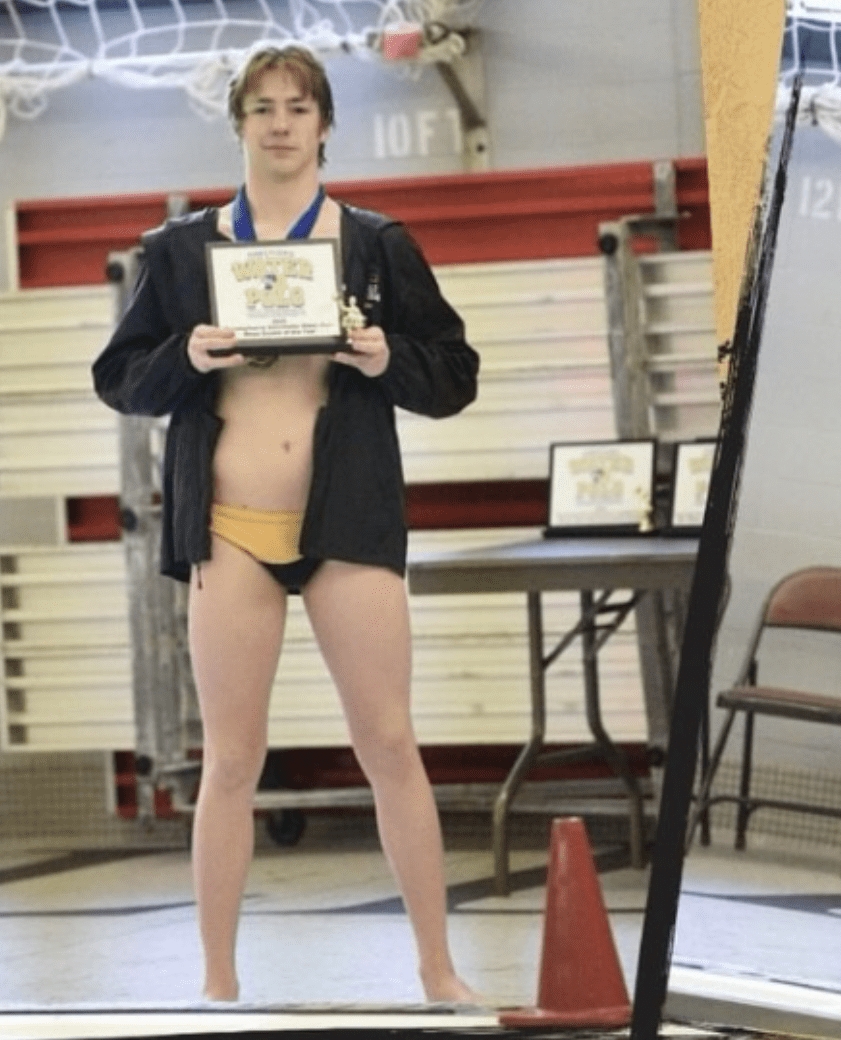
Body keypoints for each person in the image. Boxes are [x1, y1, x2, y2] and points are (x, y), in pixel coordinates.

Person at [91, 44, 482, 1004]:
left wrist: (389, 357)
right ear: (239, 124)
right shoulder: (181, 252)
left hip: (345, 520)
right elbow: (121, 379)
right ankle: (216, 981)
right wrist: (185, 351)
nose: (278, 123)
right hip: (230, 529)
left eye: (296, 107)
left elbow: (455, 373)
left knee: (390, 742)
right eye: (260, 107)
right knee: (231, 759)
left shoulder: (377, 243)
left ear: (324, 124)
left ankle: (438, 969)